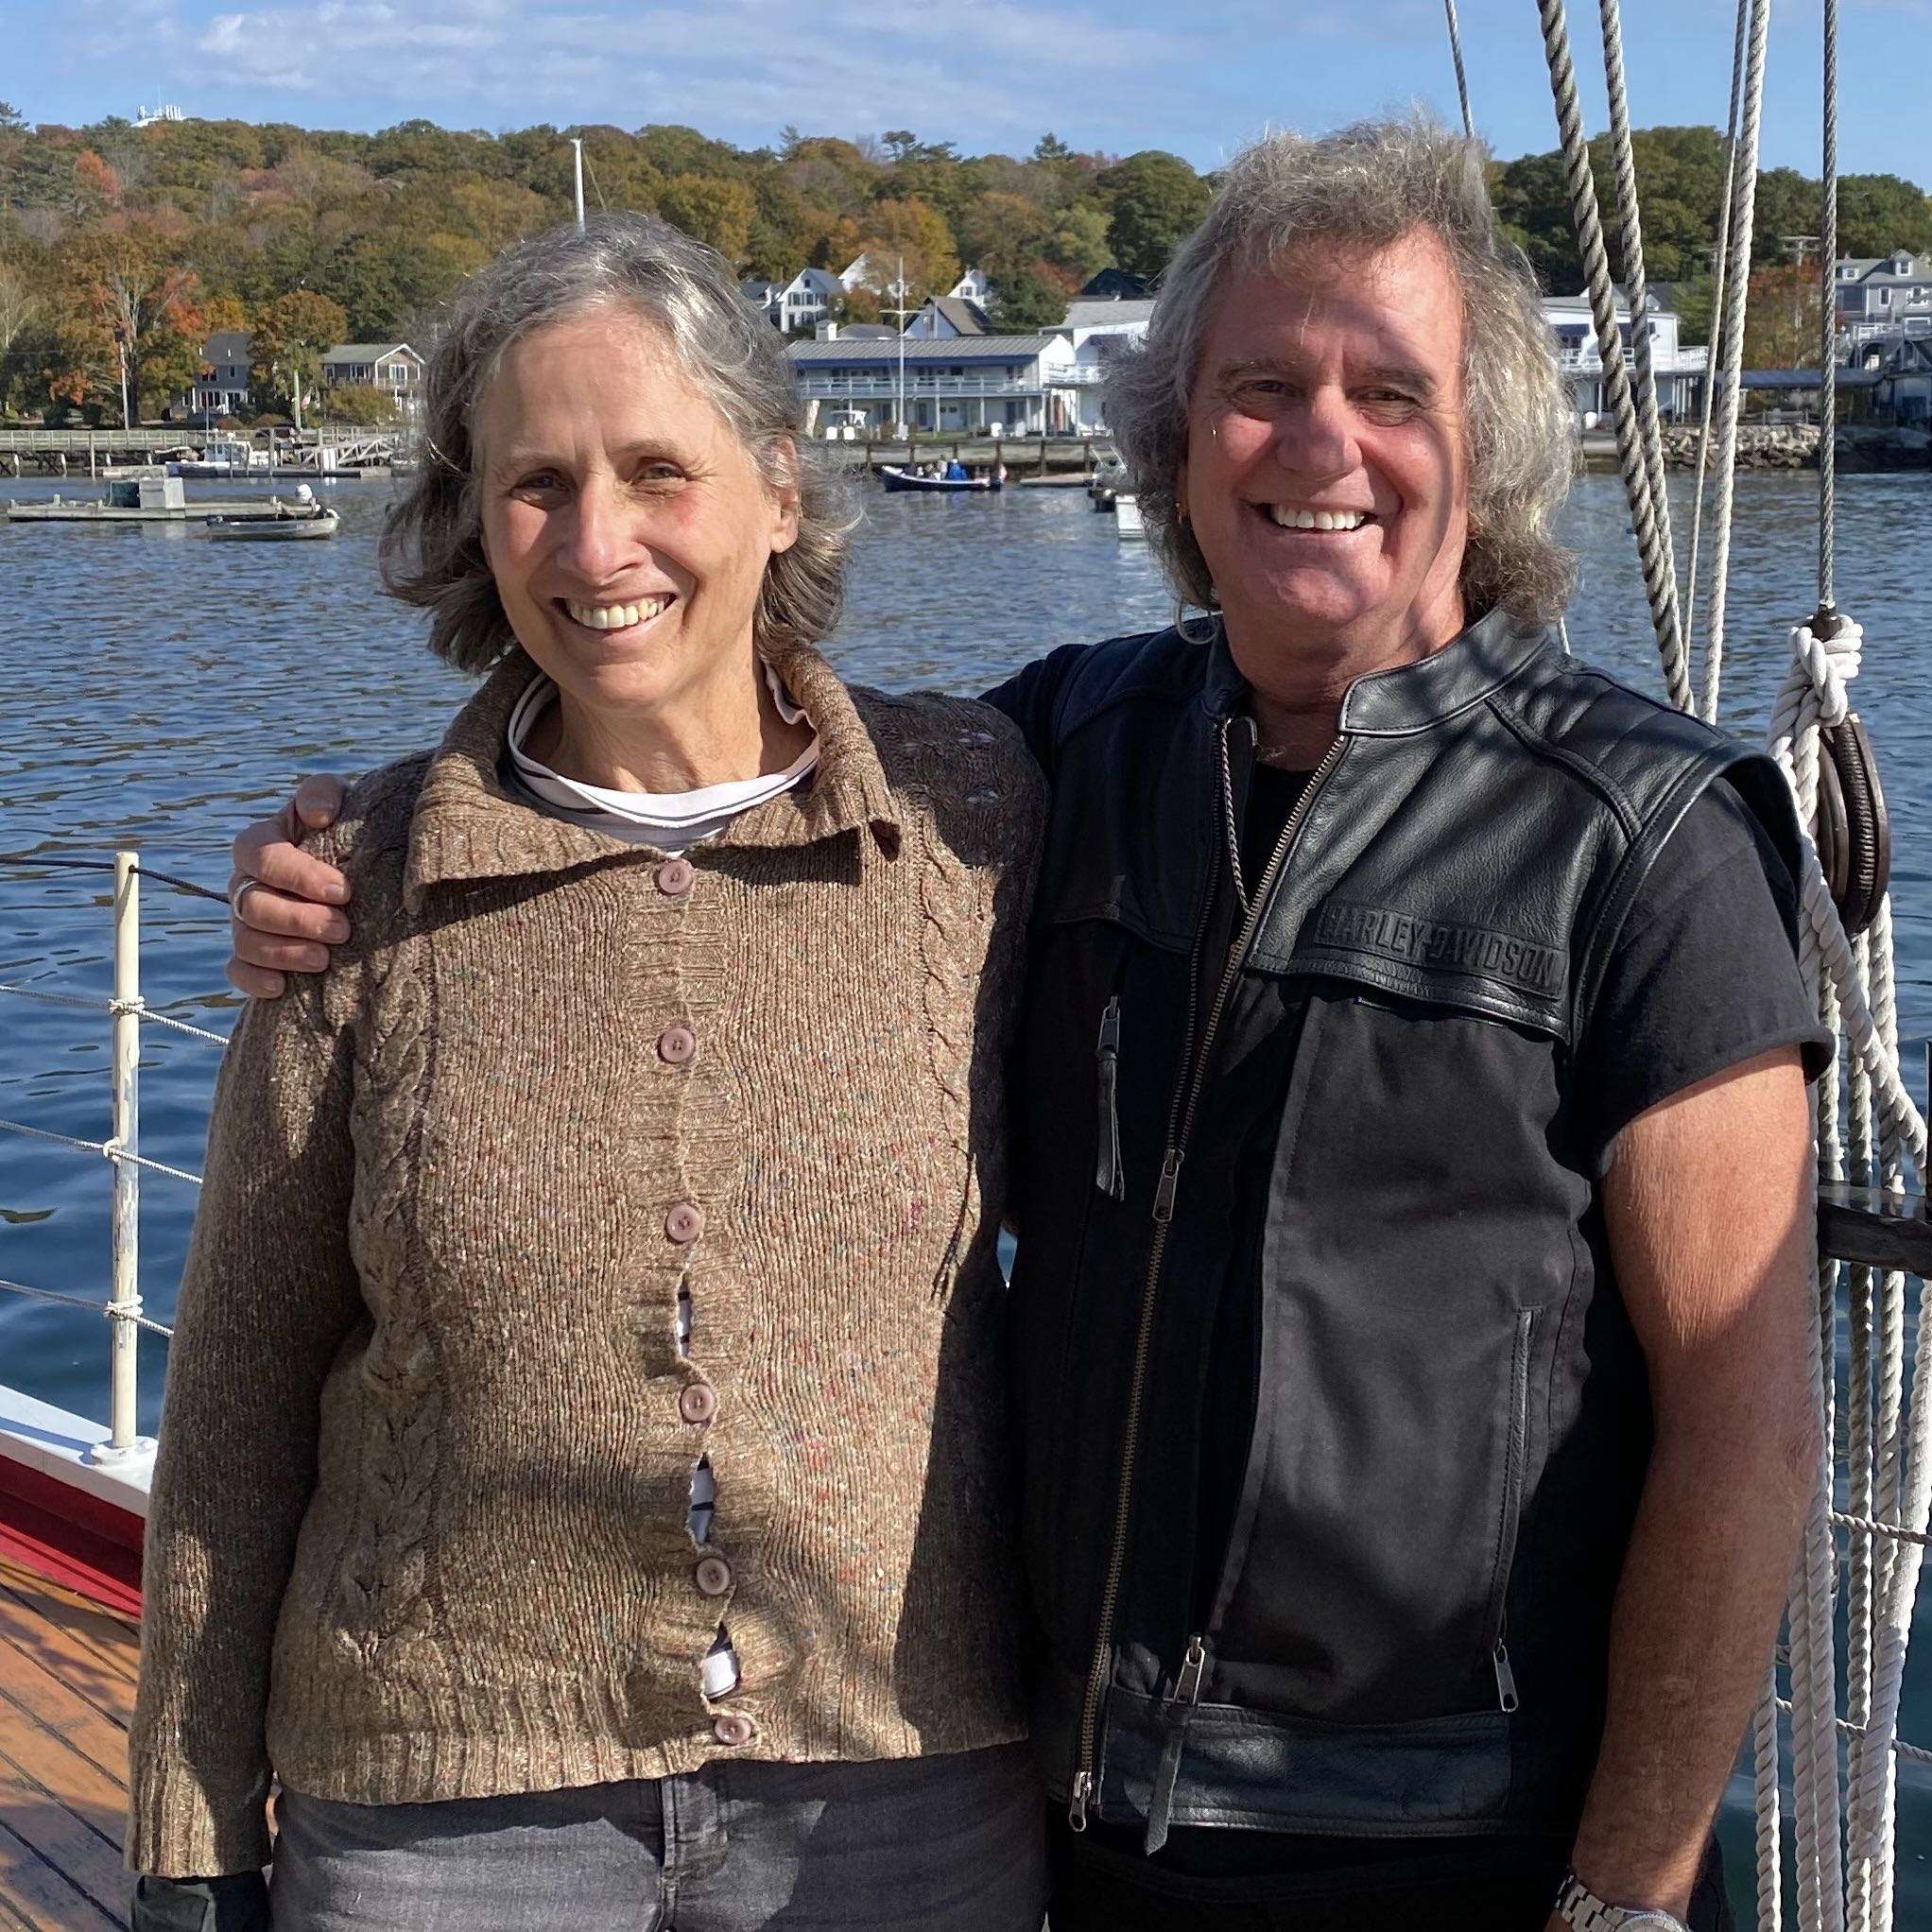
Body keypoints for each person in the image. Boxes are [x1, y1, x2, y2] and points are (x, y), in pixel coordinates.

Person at [229, 119, 1828, 1932]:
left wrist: (1625, 1894)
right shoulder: (1056, 751)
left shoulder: (1646, 834)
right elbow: (725, 758)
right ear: (1171, 443)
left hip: (1448, 1836)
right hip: (1071, 1813)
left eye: (1389, 388)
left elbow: (1743, 1434)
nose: (1320, 443)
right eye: (1257, 387)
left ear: (1493, 442)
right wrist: (358, 851)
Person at [130, 214, 1047, 1932]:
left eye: (656, 469)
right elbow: (240, 1399)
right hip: (434, 1823)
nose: (598, 540)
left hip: (900, 1792)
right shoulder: (363, 884)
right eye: (536, 482)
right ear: (474, 522)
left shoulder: (969, 820)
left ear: (778, 487)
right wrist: (189, 1840)